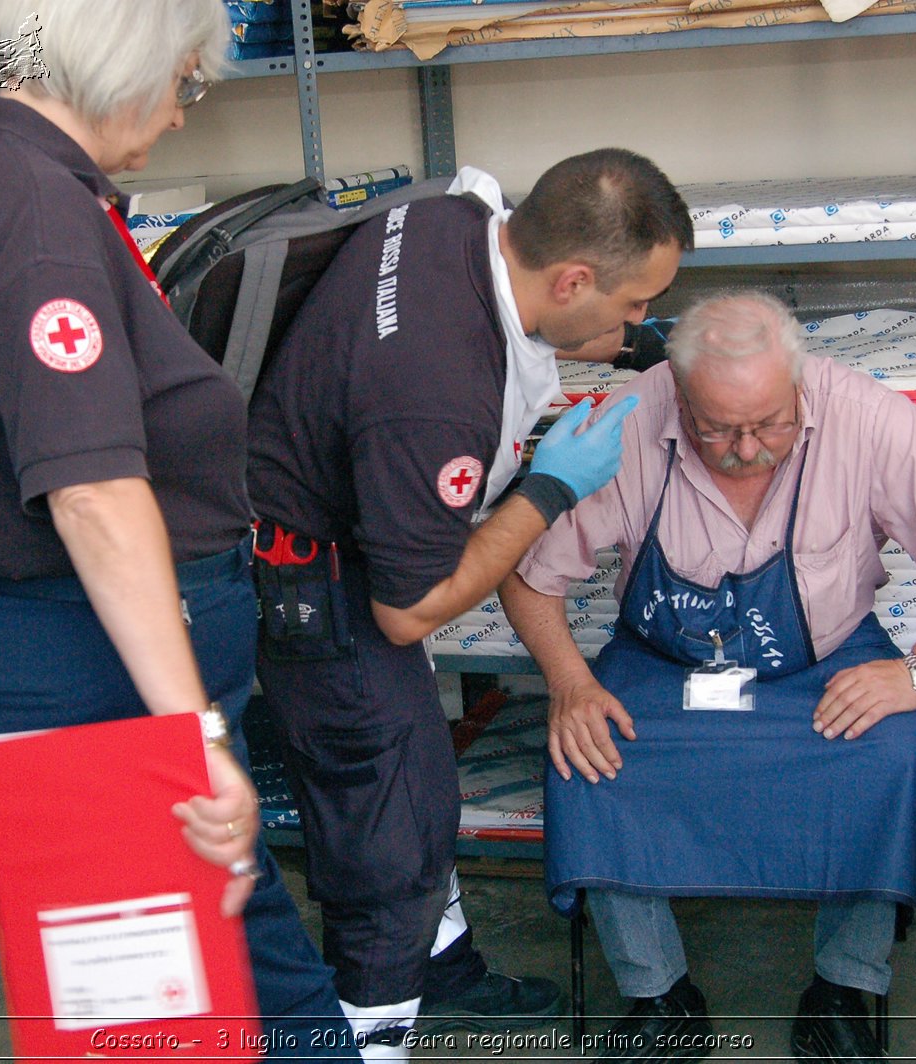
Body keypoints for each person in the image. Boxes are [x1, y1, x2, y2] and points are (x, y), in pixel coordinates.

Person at [0, 0, 357, 1055]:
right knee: (163, 1017)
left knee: (207, 985)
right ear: (123, 62)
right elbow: (91, 492)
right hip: (94, 686)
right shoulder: (40, 215)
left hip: (37, 653)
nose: (182, 113)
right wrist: (197, 738)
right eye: (185, 81)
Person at [499, 290, 916, 1064]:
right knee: (590, 755)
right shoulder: (623, 425)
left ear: (799, 384)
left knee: (890, 750)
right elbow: (524, 571)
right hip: (664, 658)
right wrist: (569, 681)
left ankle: (844, 986)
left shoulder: (860, 414)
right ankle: (659, 994)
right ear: (680, 395)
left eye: (770, 425)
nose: (748, 449)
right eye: (719, 429)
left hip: (822, 657)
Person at [245, 149, 692, 1058]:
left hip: (341, 528)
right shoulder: (437, 389)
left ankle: (443, 975)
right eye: (633, 304)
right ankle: (370, 1040)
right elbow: (410, 613)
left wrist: (618, 347)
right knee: (391, 848)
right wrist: (551, 490)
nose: (639, 322)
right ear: (571, 278)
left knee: (423, 791)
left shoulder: (457, 215)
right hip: (316, 591)